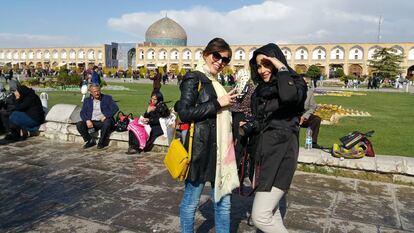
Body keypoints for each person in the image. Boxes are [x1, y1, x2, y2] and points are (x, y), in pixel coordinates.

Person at [241, 43, 307, 232]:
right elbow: (263, 120)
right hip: (265, 154)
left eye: (266, 64)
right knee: (271, 212)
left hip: (281, 154)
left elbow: (287, 97)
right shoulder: (262, 90)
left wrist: (280, 66)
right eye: (258, 66)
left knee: (260, 216)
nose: (261, 70)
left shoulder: (294, 84)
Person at [175, 38, 239, 233]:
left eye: (225, 59)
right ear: (206, 54)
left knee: (224, 204)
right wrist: (219, 103)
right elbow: (184, 112)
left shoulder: (216, 83)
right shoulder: (194, 78)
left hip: (222, 152)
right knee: (191, 202)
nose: (220, 62)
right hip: (201, 151)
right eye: (217, 56)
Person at [76, 83, 119, 149]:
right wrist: (87, 120)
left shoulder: (107, 98)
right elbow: (83, 112)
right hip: (92, 122)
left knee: (107, 123)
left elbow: (115, 108)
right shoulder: (87, 100)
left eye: (98, 91)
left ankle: (101, 143)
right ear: (90, 92)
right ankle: (90, 140)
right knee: (79, 124)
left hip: (103, 121)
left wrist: (106, 116)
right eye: (94, 92)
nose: (97, 93)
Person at [300, 79, 322, 149]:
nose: (305, 84)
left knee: (316, 119)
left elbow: (313, 106)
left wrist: (304, 116)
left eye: (306, 82)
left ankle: (313, 142)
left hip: (304, 116)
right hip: (292, 116)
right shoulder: (291, 91)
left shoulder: (309, 92)